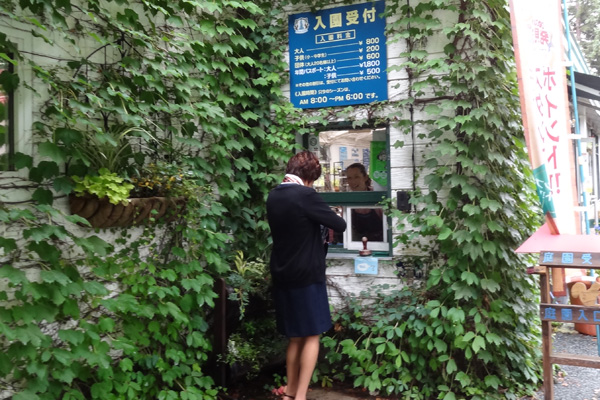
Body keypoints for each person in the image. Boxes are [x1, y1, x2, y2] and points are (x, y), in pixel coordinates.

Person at [267, 151, 347, 400]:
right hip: (307, 275)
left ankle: (290, 391)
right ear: (310, 177)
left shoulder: (274, 195)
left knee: (295, 337)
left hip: (282, 273)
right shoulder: (305, 195)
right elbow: (340, 225)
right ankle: (300, 396)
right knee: (312, 335)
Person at [345, 163, 384, 242]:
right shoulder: (347, 200)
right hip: (357, 243)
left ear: (365, 177)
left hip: (380, 243)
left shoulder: (375, 196)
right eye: (349, 178)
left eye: (356, 177)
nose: (353, 181)